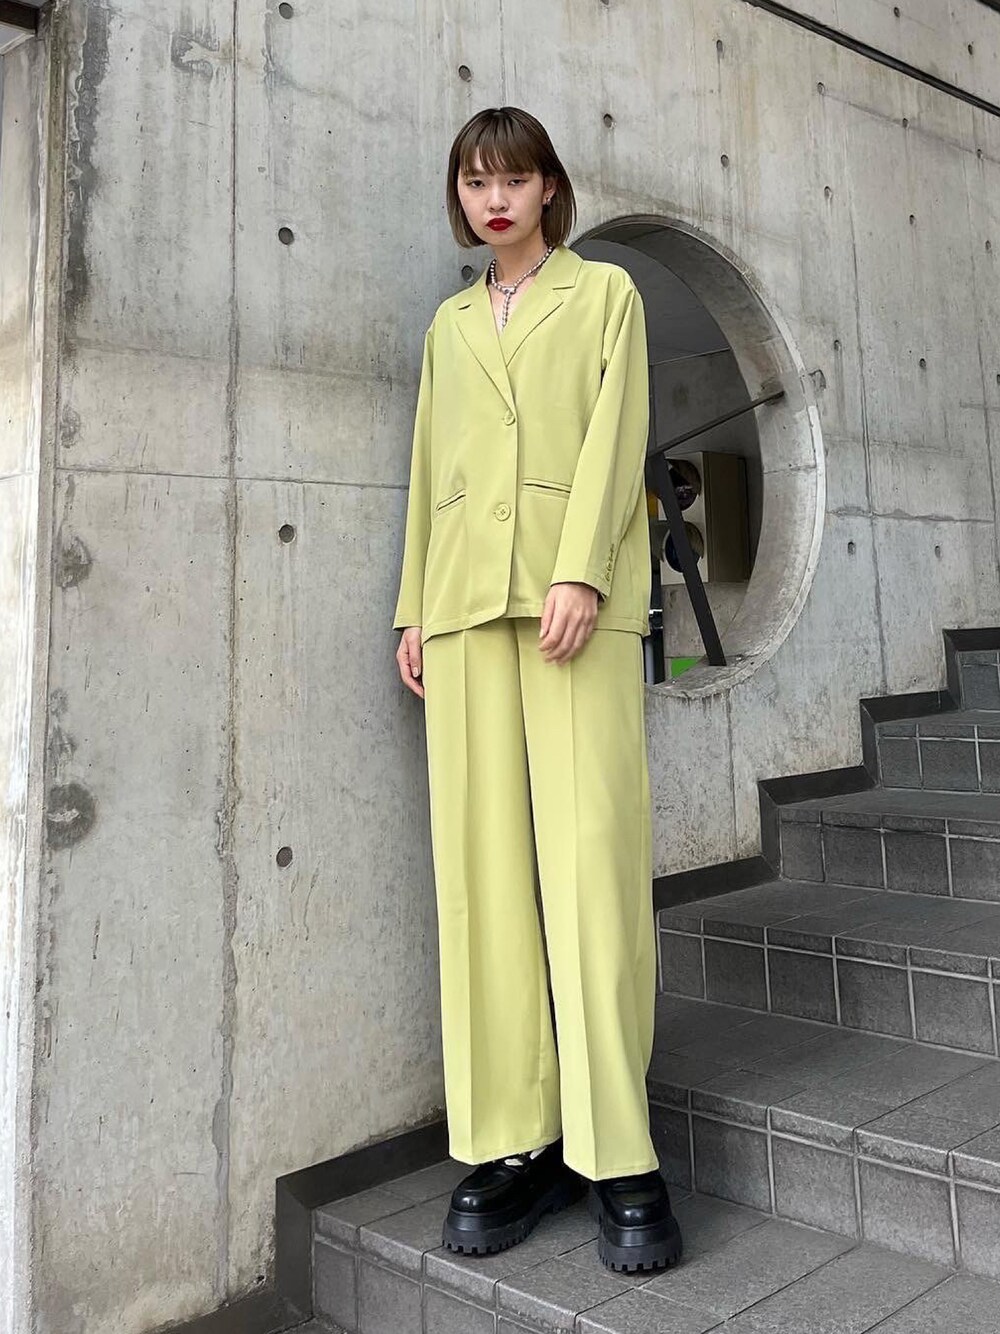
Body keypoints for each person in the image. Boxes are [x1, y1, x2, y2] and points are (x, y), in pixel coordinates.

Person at [392, 106, 682, 1274]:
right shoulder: (449, 324)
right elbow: (430, 465)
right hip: (464, 608)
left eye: (513, 178)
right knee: (483, 878)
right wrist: (414, 604)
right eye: (475, 181)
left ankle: (617, 1145)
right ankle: (514, 1135)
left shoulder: (605, 294)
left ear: (549, 187)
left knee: (591, 864)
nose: (495, 198)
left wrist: (581, 568)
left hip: (574, 606)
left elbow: (618, 437)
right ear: (460, 196)